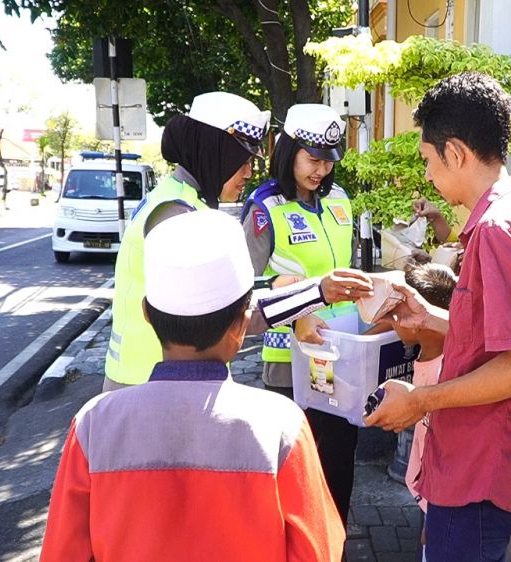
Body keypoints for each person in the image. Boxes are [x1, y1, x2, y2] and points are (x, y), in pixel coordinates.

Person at [40, 210, 346, 561]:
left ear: (147, 315)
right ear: (241, 325)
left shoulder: (93, 425)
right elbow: (318, 551)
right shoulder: (282, 425)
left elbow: (62, 553)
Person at [364, 71, 511, 562]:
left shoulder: (499, 229)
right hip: (485, 464)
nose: (428, 175)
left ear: (455, 152)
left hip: (479, 471)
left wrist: (421, 400)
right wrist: (430, 317)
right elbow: (501, 338)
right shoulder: (509, 217)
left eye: (429, 160)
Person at [103, 93, 372, 392]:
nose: (248, 173)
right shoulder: (177, 214)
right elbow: (223, 315)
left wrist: (280, 290)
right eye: (241, 162)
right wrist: (313, 294)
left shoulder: (183, 200)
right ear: (214, 154)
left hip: (168, 381)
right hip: (149, 387)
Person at [240, 103, 359, 524]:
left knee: (339, 458)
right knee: (295, 466)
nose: (321, 171)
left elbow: (351, 271)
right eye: (312, 159)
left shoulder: (341, 202)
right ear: (288, 151)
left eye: (328, 161)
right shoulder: (264, 208)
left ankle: (335, 541)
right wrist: (293, 312)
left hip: (342, 354)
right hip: (291, 360)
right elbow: (243, 290)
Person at [394, 263, 457, 554]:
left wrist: (431, 520)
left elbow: (445, 454)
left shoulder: (443, 376)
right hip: (427, 492)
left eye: (397, 313)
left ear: (420, 317)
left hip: (440, 500)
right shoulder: (429, 355)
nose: (392, 320)